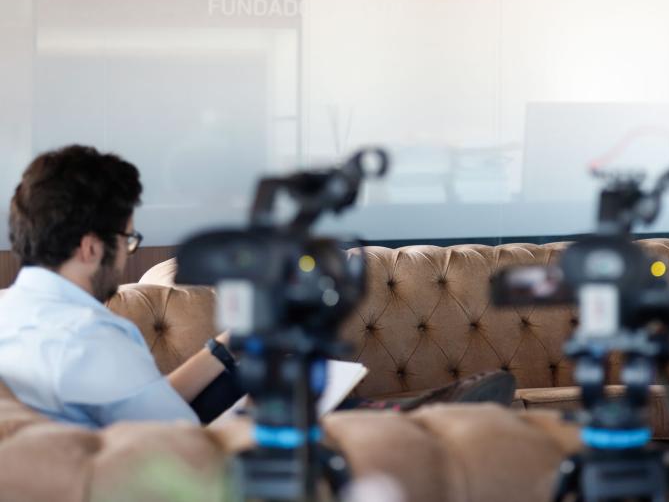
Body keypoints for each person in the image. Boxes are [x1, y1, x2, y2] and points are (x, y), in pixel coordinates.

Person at [0, 145, 514, 429]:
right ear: (90, 247)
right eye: (127, 239)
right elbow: (181, 439)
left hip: (123, 446)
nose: (128, 251)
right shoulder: (88, 337)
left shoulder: (14, 313)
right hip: (171, 467)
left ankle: (390, 414)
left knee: (255, 355)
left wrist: (224, 350)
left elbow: (146, 402)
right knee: (282, 384)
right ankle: (395, 421)